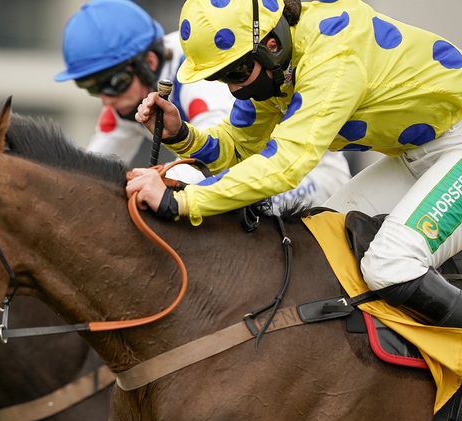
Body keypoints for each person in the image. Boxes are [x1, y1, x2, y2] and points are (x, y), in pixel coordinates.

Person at [130, 0, 462, 331]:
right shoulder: (276, 65)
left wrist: (182, 201)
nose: (234, 87)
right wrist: (182, 135)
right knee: (322, 249)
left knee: (390, 266)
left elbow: (286, 165)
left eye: (237, 72)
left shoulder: (333, 52)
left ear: (271, 44)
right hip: (420, 152)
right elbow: (240, 148)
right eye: (221, 77)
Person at [55, 0, 350, 205]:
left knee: (180, 186)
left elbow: (209, 165)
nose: (106, 97)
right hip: (256, 178)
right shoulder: (123, 102)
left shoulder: (195, 76)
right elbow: (89, 172)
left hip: (312, 177)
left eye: (112, 82)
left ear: (149, 61)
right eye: (91, 88)